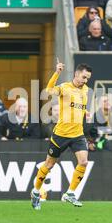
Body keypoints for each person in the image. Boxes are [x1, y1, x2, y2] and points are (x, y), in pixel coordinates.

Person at [30, 61, 92, 210]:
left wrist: (86, 113)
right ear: (76, 74)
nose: (85, 81)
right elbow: (49, 90)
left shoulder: (86, 90)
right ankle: (36, 191)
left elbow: (80, 108)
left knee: (83, 162)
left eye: (88, 78)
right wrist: (57, 72)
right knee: (49, 165)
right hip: (61, 134)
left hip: (77, 134)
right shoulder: (65, 88)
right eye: (84, 77)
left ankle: (70, 193)